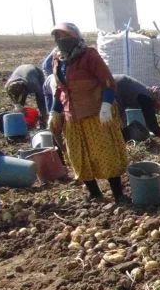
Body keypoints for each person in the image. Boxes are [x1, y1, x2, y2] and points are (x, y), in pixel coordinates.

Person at [47, 22, 129, 202]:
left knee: (105, 154)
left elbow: (108, 82)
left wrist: (106, 105)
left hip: (96, 114)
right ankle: (94, 192)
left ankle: (118, 194)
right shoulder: (57, 59)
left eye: (65, 36)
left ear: (75, 37)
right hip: (72, 117)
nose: (61, 40)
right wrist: (54, 111)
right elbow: (60, 89)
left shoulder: (89, 55)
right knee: (78, 156)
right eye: (58, 37)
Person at [113, 74, 160, 142]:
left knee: (121, 125)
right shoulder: (146, 98)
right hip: (113, 91)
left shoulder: (145, 92)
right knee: (118, 126)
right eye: (159, 106)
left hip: (116, 87)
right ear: (157, 100)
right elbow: (151, 121)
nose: (158, 109)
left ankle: (117, 141)